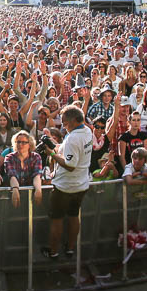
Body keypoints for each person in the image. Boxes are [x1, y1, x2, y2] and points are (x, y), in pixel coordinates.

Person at [41, 105, 93, 259]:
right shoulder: (87, 131)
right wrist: (56, 146)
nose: (63, 126)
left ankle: (53, 252)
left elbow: (70, 165)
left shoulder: (72, 138)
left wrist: (51, 153)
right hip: (81, 185)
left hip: (65, 187)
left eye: (65, 123)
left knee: (56, 220)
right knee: (73, 215)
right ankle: (70, 249)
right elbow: (71, 152)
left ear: (75, 121)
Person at [3, 130, 43, 208]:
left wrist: (38, 189)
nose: (20, 145)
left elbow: (37, 175)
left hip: (30, 194)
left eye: (24, 142)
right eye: (18, 142)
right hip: (12, 193)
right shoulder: (9, 157)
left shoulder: (36, 157)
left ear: (29, 144)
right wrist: (15, 189)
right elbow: (12, 175)